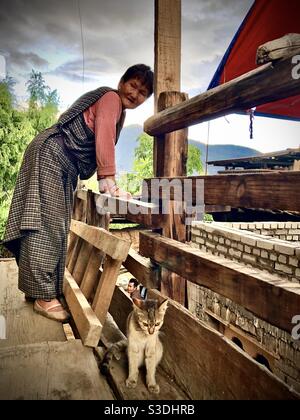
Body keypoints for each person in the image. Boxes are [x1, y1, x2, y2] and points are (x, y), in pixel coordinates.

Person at [3, 64, 153, 322]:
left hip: (56, 158)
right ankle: (43, 297)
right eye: (133, 85)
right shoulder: (111, 99)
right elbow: (104, 135)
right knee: (48, 223)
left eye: (142, 92)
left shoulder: (115, 104)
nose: (135, 93)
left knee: (54, 222)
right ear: (121, 82)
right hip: (53, 155)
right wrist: (109, 182)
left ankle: (38, 289)